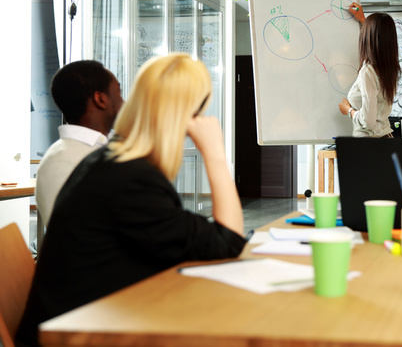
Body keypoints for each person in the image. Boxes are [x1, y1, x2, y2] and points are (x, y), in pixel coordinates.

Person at [16, 54, 247, 347]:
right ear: (190, 115)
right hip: (79, 335)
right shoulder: (129, 176)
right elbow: (229, 242)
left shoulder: (113, 160)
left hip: (96, 319)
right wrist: (215, 153)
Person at [35, 60, 123, 226]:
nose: (123, 102)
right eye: (118, 93)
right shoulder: (66, 161)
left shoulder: (95, 150)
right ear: (100, 99)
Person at [338, 2, 400, 137]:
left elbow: (368, 122)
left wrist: (348, 110)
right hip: (383, 140)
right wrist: (362, 19)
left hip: (370, 146)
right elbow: (379, 39)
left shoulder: (368, 72)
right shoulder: (390, 68)